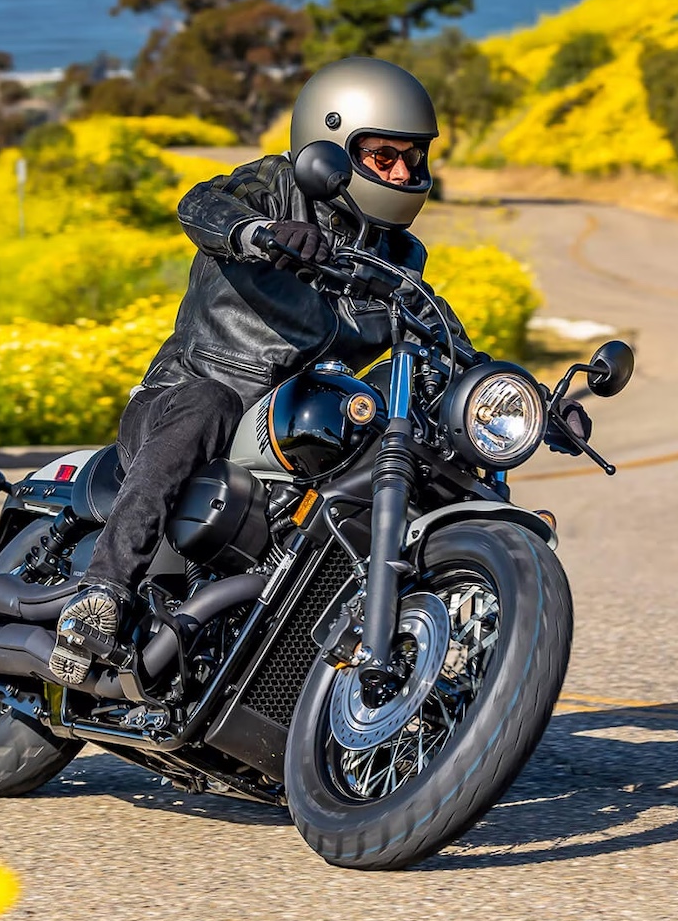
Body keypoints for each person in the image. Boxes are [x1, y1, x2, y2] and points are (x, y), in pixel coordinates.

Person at [47, 56, 478, 685]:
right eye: (384, 157)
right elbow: (201, 204)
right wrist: (260, 232)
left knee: (413, 417)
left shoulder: (398, 256)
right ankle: (101, 595)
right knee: (208, 405)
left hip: (300, 425)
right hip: (188, 398)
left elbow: (438, 326)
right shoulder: (278, 187)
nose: (404, 173)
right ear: (330, 148)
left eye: (414, 158)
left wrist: (508, 393)